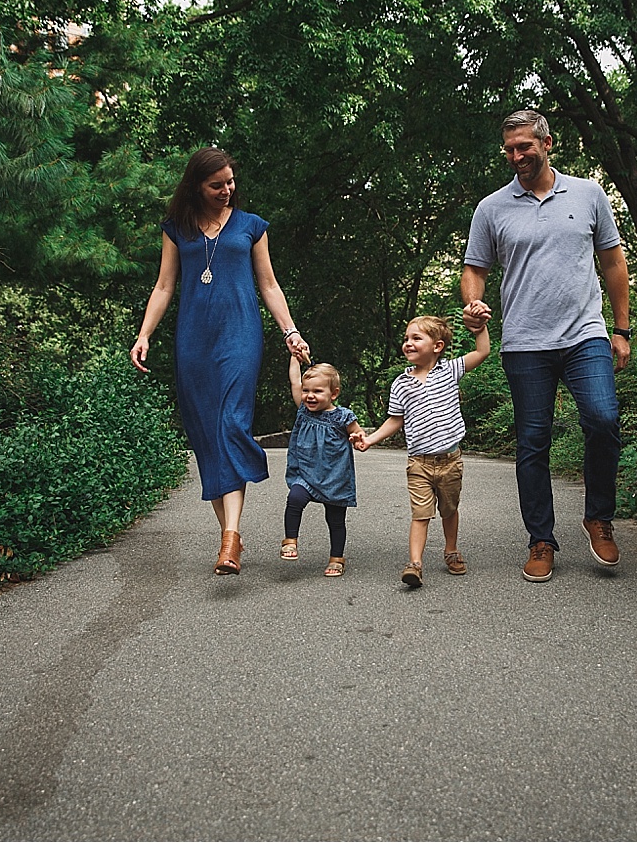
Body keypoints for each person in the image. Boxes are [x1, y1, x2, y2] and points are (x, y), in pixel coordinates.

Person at [461, 109, 632, 583]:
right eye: (510, 149)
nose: (516, 156)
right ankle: (541, 539)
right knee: (532, 442)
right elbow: (474, 270)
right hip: (525, 342)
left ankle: (598, 517)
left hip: (585, 334)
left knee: (603, 419)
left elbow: (614, 264)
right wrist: (473, 303)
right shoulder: (492, 208)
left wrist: (622, 329)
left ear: (547, 143)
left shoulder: (588, 194)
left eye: (525, 147)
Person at [132, 147, 310, 575]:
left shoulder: (251, 227)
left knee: (231, 422)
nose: (227, 190)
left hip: (239, 335)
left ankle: (229, 538)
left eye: (231, 182)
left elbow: (268, 285)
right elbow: (163, 287)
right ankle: (231, 535)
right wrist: (144, 335)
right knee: (207, 433)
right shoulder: (177, 229)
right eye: (217, 185)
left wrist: (290, 330)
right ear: (197, 186)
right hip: (193, 339)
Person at [355, 314, 493, 588]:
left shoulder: (450, 370)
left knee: (449, 509)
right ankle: (414, 564)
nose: (408, 343)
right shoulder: (401, 384)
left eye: (416, 338)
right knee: (420, 513)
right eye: (406, 338)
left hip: (450, 460)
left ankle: (451, 550)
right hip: (418, 463)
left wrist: (480, 326)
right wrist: (371, 440)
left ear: (437, 346)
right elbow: (396, 420)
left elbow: (483, 350)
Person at [280, 359, 367, 577]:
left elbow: (359, 434)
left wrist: (358, 439)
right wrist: (294, 358)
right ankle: (290, 540)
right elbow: (294, 381)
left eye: (317, 391)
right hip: (306, 473)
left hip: (334, 476)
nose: (310, 395)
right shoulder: (303, 410)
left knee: (335, 519)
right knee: (295, 498)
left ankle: (337, 557)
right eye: (306, 390)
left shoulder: (343, 417)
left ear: (333, 394)